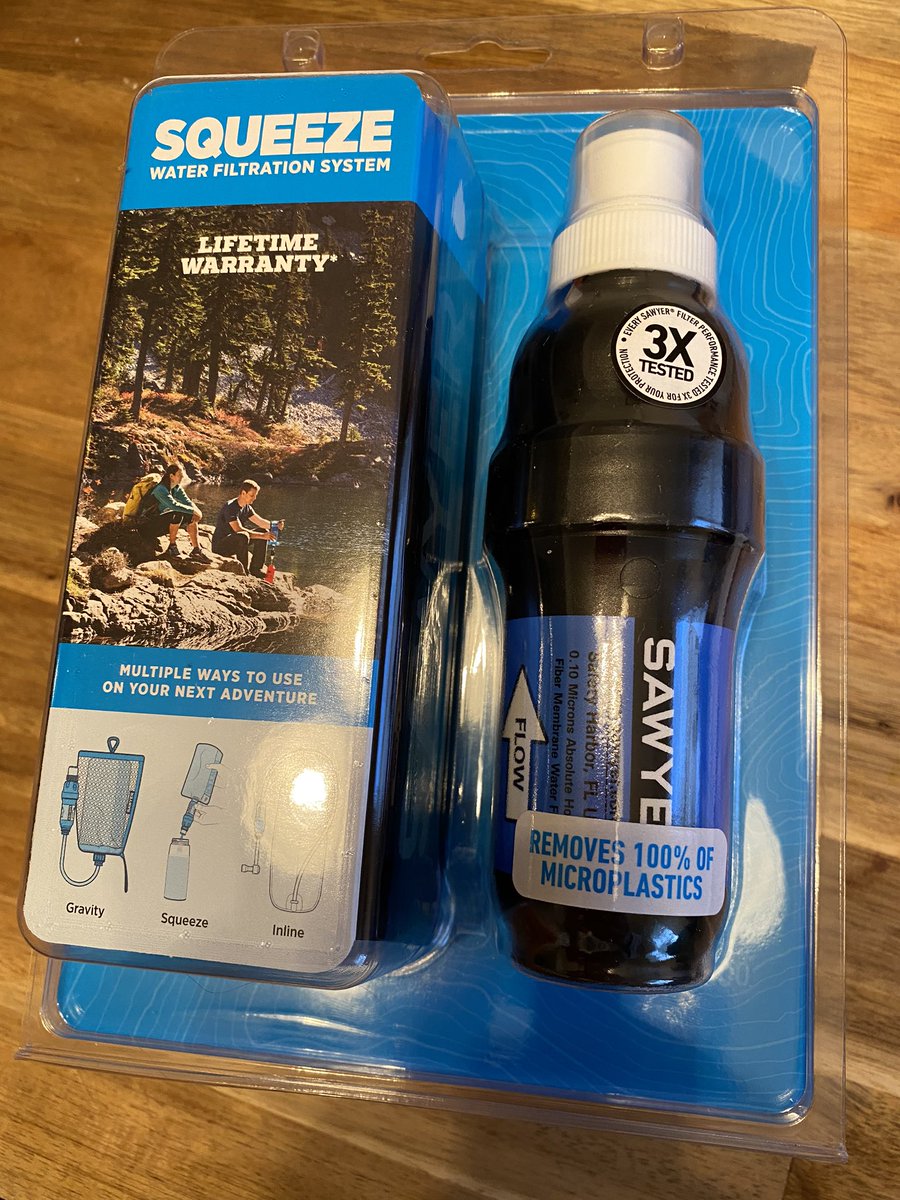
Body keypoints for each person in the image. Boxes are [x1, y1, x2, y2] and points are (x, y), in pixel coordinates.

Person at [212, 480, 282, 577]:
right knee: (244, 536)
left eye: (255, 495)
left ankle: (256, 569)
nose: (254, 498)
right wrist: (262, 536)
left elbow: (261, 522)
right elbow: (238, 529)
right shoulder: (230, 507)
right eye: (252, 495)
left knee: (263, 530)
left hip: (236, 541)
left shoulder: (246, 507)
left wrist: (275, 525)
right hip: (221, 546)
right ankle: (244, 570)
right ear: (243, 493)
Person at [146, 463, 211, 562]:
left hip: (159, 522)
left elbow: (188, 502)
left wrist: (197, 512)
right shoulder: (160, 489)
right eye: (180, 475)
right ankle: (172, 547)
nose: (182, 478)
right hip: (147, 526)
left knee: (191, 515)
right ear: (171, 476)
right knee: (178, 513)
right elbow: (173, 505)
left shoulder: (176, 488)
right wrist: (193, 511)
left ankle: (196, 550)